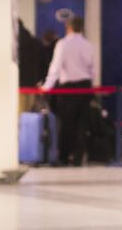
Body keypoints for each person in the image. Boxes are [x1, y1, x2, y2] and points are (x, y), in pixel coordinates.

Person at [42, 16, 97, 166]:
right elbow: (93, 70)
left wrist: (47, 86)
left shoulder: (63, 44)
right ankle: (78, 157)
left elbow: (56, 67)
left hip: (69, 88)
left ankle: (64, 156)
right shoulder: (88, 45)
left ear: (69, 27)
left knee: (67, 123)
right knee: (82, 123)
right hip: (85, 87)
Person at [17, 19, 49, 112]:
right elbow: (45, 65)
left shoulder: (13, 45)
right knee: (29, 114)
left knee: (17, 114)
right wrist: (39, 80)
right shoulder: (36, 43)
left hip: (16, 85)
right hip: (32, 84)